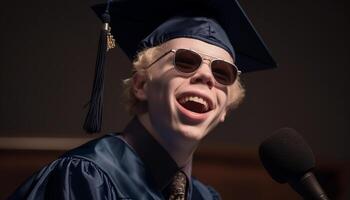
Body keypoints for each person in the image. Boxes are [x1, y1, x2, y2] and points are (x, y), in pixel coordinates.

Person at [9, 0, 277, 199]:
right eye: (185, 61)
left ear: (225, 109)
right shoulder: (85, 177)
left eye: (222, 73)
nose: (206, 77)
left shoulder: (206, 198)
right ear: (141, 84)